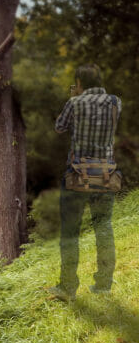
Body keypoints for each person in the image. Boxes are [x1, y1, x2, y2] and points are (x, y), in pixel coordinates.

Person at [47, 64, 122, 302]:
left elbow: (59, 127)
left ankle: (67, 288)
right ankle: (103, 285)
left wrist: (73, 99)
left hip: (77, 175)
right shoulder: (115, 102)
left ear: (79, 82)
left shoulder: (75, 103)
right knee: (103, 226)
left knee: (70, 231)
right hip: (105, 175)